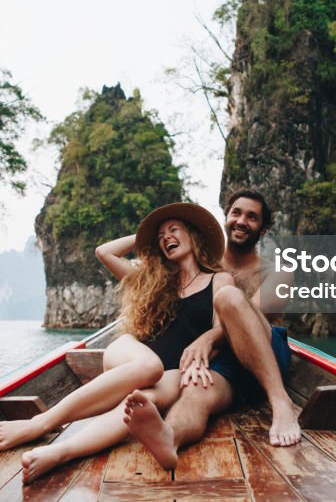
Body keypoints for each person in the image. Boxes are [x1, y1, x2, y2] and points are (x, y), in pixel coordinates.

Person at [0, 202, 233, 482]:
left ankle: (61, 452)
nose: (166, 238)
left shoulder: (219, 279)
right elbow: (104, 252)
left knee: (141, 403)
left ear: (194, 235)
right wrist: (146, 239)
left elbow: (222, 328)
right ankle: (38, 424)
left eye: (173, 230)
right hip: (132, 355)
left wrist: (204, 343)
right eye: (161, 235)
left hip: (175, 370)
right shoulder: (152, 280)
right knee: (149, 366)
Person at [122, 188, 301, 470]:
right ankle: (170, 437)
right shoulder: (205, 267)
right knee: (196, 389)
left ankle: (281, 403)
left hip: (264, 353)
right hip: (225, 362)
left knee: (228, 298)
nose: (242, 221)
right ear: (226, 218)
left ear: (263, 229)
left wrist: (206, 339)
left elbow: (246, 318)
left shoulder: (279, 272)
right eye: (236, 213)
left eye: (252, 217)